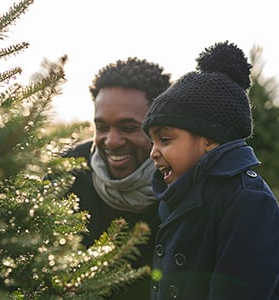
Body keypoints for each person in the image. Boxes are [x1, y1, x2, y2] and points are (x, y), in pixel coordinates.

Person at [142, 41, 279, 300]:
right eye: (152, 141)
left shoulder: (247, 201)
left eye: (165, 139)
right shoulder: (179, 194)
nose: (153, 152)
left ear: (210, 140)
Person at [64, 57, 172, 299]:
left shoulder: (183, 183)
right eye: (101, 127)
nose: (111, 141)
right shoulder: (68, 173)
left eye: (129, 128)